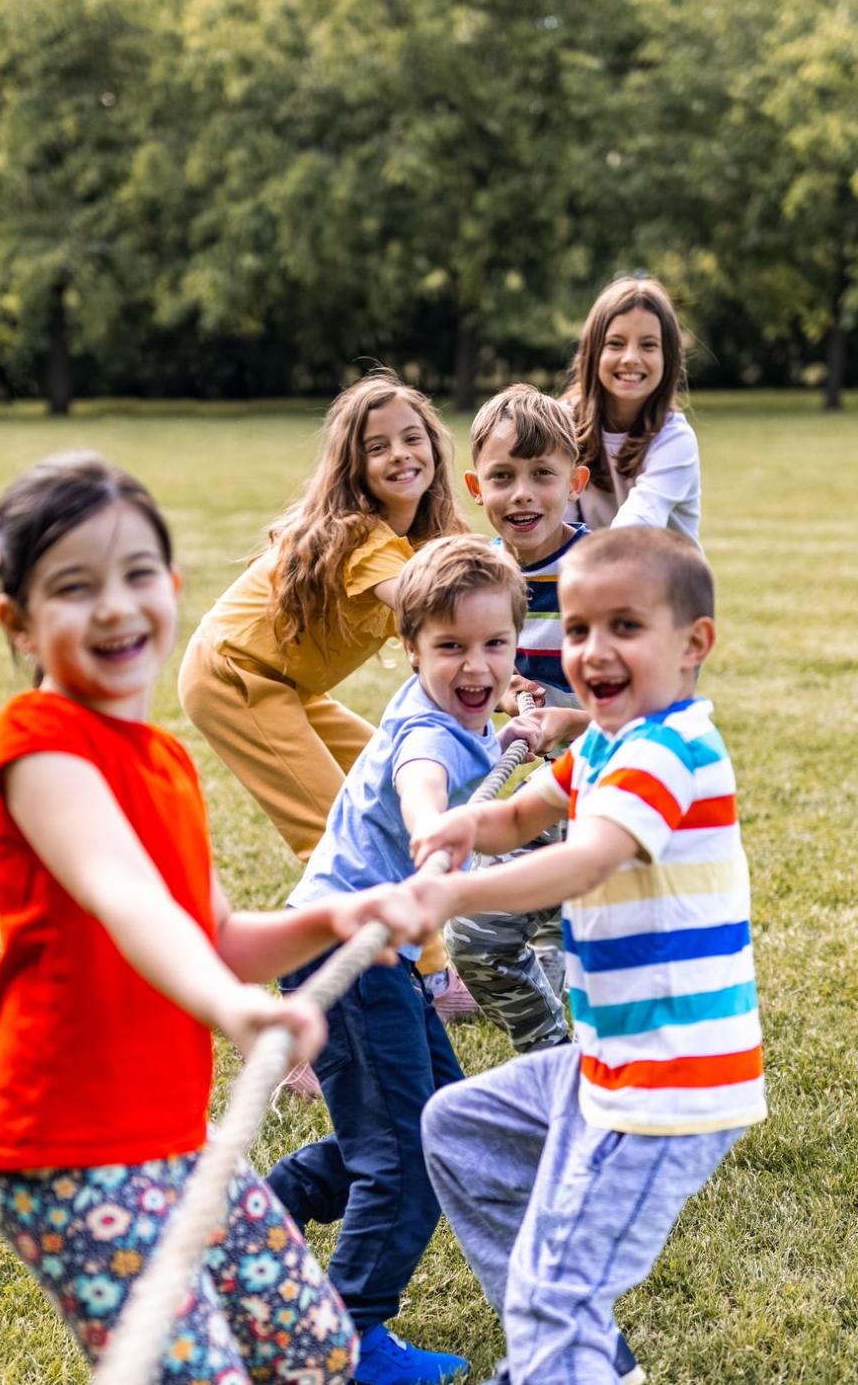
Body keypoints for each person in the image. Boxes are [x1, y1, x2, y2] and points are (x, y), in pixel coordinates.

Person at [0, 451, 422, 1385]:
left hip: (176, 1149)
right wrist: (238, 1010)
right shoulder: (41, 749)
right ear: (18, 622)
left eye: (138, 574)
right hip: (70, 1160)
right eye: (73, 587)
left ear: (173, 587)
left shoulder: (167, 765)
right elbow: (127, 898)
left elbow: (220, 935)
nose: (115, 606)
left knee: (313, 1351)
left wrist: (345, 915)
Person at [402, 526, 766, 1385]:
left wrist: (456, 895)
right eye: (576, 630)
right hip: (608, 1064)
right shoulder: (603, 743)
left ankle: (559, 1339)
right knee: (456, 1128)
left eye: (625, 627)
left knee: (551, 1291)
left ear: (693, 645)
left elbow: (586, 857)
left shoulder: (670, 750)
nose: (593, 651)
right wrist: (459, 826)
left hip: (667, 1085)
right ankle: (576, 1354)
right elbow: (522, 818)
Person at [266, 536, 545, 1385]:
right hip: (346, 955)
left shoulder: (466, 715)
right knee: (409, 1160)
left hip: (365, 953)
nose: (475, 665)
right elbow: (423, 781)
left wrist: (519, 728)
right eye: (450, 647)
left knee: (424, 1130)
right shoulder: (428, 734)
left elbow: (475, 737)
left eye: (494, 645)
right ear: (410, 648)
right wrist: (431, 828)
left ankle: (256, 1218)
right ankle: (346, 1338)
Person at [178, 370, 475, 1032]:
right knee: (335, 837)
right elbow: (438, 609)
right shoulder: (364, 541)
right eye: (378, 447)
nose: (400, 455)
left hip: (289, 686)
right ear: (354, 467)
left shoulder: (425, 538)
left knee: (389, 778)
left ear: (433, 445)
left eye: (411, 438)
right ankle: (314, 1024)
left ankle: (432, 974)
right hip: (236, 678)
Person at [447, 384, 592, 1053]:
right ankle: (551, 1060)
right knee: (476, 938)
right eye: (503, 477)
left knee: (585, 954)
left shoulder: (599, 575)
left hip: (606, 797)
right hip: (534, 799)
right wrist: (504, 692)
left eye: (543, 475)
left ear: (576, 481)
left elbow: (654, 697)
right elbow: (467, 668)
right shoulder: (480, 578)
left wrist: (573, 719)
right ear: (477, 486)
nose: (523, 494)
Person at [564, 275, 701, 543]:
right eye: (616, 343)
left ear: (668, 358)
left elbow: (640, 521)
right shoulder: (562, 424)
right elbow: (554, 524)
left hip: (665, 581)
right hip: (584, 576)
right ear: (593, 352)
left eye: (648, 345)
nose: (630, 358)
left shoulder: (675, 439)